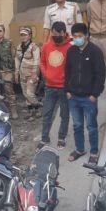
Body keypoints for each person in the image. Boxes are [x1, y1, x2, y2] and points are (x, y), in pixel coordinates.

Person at [65, 23, 106, 164]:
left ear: (86, 35)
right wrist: (68, 91)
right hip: (73, 97)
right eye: (75, 36)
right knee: (77, 125)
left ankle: (94, 151)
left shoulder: (95, 52)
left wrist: (95, 94)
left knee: (91, 126)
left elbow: (100, 75)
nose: (77, 39)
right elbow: (67, 72)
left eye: (80, 36)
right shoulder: (71, 51)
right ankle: (80, 149)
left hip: (89, 98)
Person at [39, 21, 72, 150]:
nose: (56, 35)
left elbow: (73, 67)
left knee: (64, 115)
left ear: (64, 33)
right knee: (47, 113)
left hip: (64, 87)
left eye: (59, 33)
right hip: (49, 87)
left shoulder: (70, 47)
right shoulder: (47, 46)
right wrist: (46, 74)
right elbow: (42, 62)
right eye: (54, 33)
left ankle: (61, 138)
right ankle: (44, 138)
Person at [15, 26, 41, 119]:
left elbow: (37, 61)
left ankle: (38, 107)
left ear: (30, 36)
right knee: (25, 94)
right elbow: (17, 59)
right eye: (21, 35)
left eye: (25, 35)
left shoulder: (34, 47)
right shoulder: (19, 47)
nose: (23, 37)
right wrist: (16, 73)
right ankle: (31, 112)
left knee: (30, 93)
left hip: (31, 75)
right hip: (22, 75)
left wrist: (35, 74)